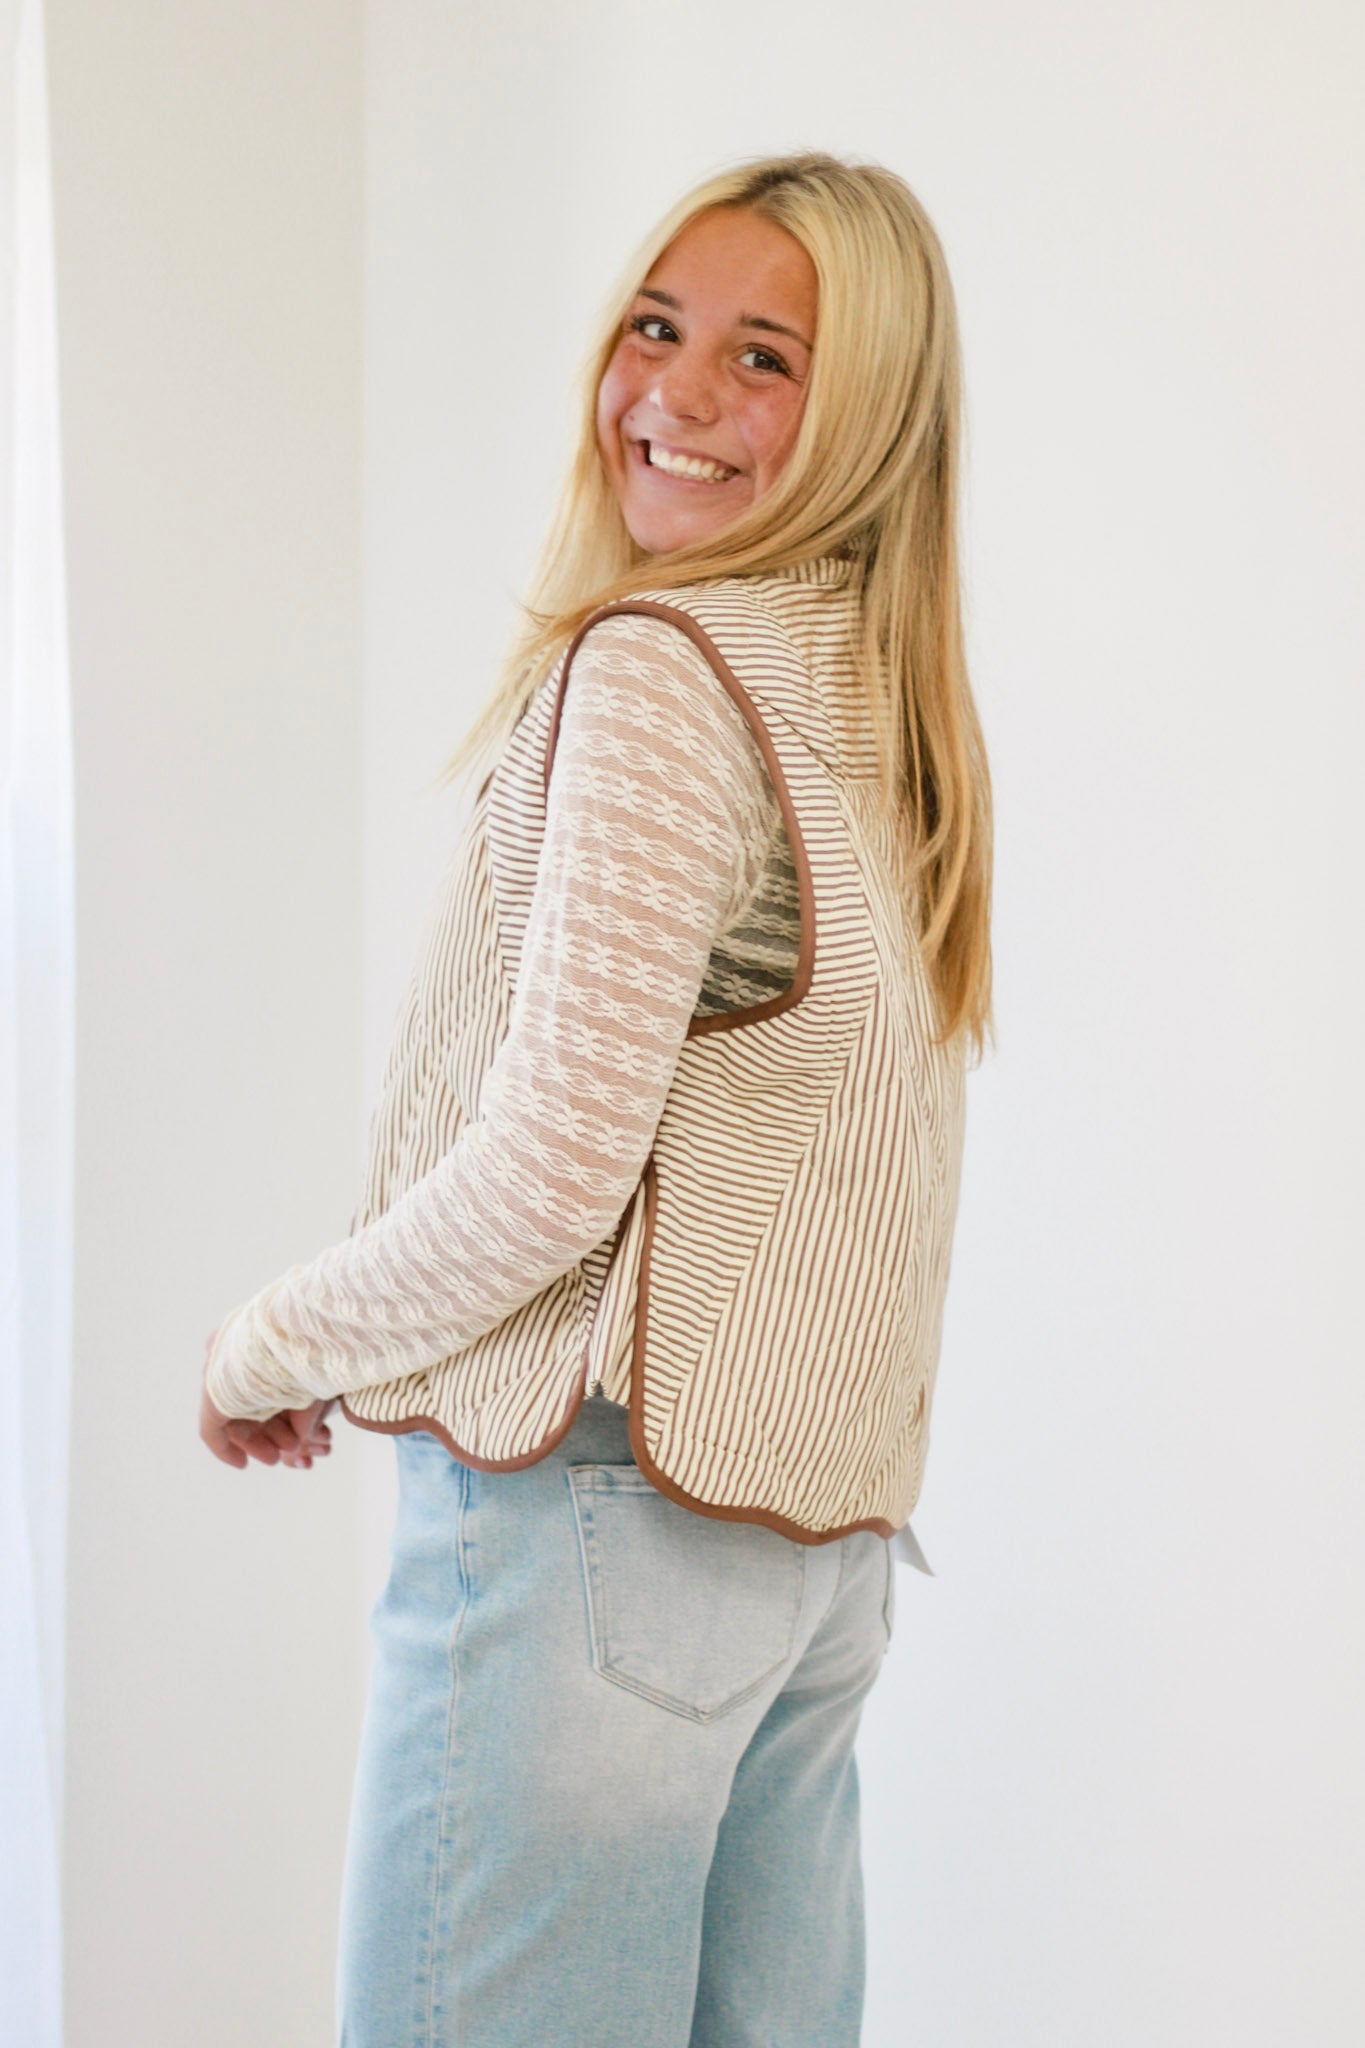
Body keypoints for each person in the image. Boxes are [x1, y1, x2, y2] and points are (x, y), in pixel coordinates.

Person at [198, 148, 994, 2048]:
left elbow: (553, 1166)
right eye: (655, 326)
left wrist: (270, 1340)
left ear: (869, 412)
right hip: (806, 1560)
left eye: (764, 359)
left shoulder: (661, 666)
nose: (674, 393)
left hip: (592, 1533)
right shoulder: (882, 702)